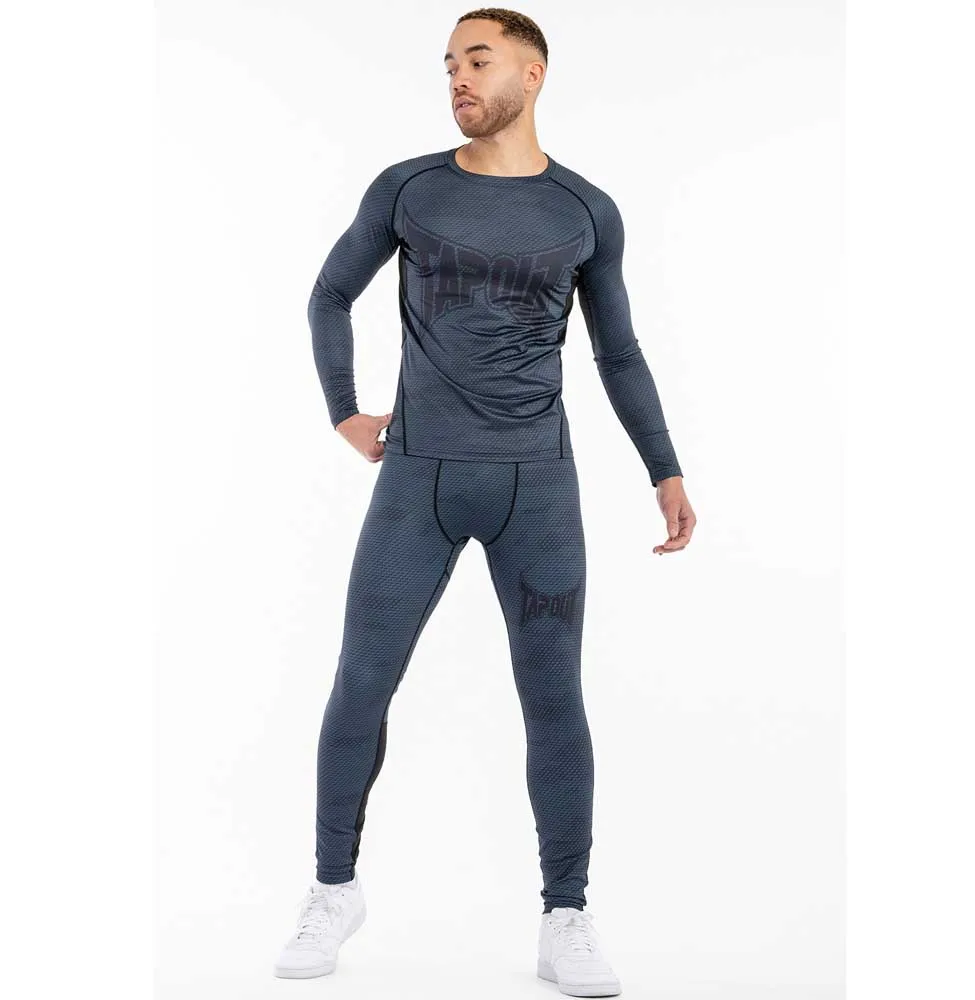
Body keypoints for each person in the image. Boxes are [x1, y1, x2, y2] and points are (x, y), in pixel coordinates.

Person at [273, 7, 696, 995]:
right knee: (361, 683)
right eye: (449, 64)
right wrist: (344, 410)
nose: (458, 78)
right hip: (416, 480)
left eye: (478, 59)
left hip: (536, 486)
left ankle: (566, 915)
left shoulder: (586, 210)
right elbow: (329, 294)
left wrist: (664, 468)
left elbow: (619, 352)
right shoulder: (408, 188)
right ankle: (332, 889)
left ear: (532, 75)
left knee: (552, 698)